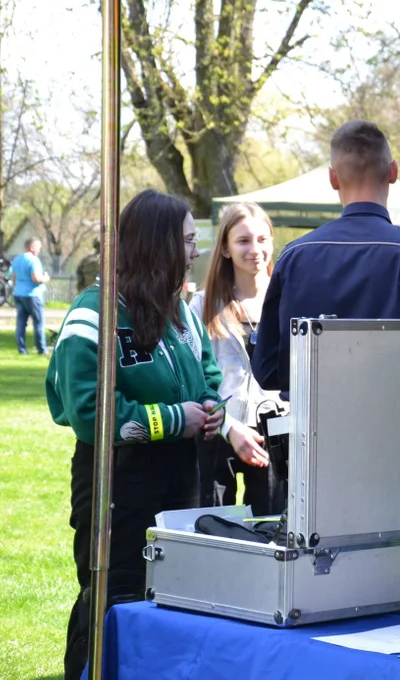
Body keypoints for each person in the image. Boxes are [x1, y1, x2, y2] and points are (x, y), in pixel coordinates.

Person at [47, 190, 228, 680]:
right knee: (113, 598)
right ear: (158, 246)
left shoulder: (182, 311)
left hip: (180, 480)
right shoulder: (94, 313)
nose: (195, 252)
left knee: (171, 600)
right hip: (117, 484)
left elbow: (207, 375)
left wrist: (212, 409)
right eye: (188, 241)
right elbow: (90, 413)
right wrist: (175, 419)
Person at [252, 120, 400, 393]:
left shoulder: (294, 257)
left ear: (332, 178)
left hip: (315, 429)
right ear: (393, 171)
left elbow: (268, 370)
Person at [190, 203, 280, 515]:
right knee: (215, 529)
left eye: (262, 239)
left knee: (271, 531)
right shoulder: (202, 304)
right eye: (243, 241)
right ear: (226, 248)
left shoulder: (287, 299)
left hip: (275, 433)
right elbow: (194, 378)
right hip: (217, 429)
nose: (255, 249)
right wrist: (228, 426)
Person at [12, 236, 50, 354]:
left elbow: (13, 278)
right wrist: (46, 278)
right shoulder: (33, 260)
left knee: (21, 323)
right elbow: (36, 278)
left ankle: (22, 349)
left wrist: (18, 288)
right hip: (33, 295)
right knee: (38, 322)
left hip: (18, 293)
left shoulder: (17, 259)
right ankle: (42, 349)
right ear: (32, 247)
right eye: (38, 247)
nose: (39, 250)